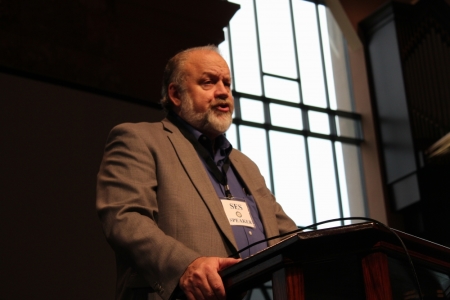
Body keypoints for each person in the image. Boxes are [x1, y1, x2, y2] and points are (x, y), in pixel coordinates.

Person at [96, 45, 297, 300]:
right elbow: (125, 219)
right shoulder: (139, 139)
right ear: (176, 94)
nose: (223, 92)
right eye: (209, 82)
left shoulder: (245, 165)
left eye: (227, 83)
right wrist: (185, 266)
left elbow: (287, 236)